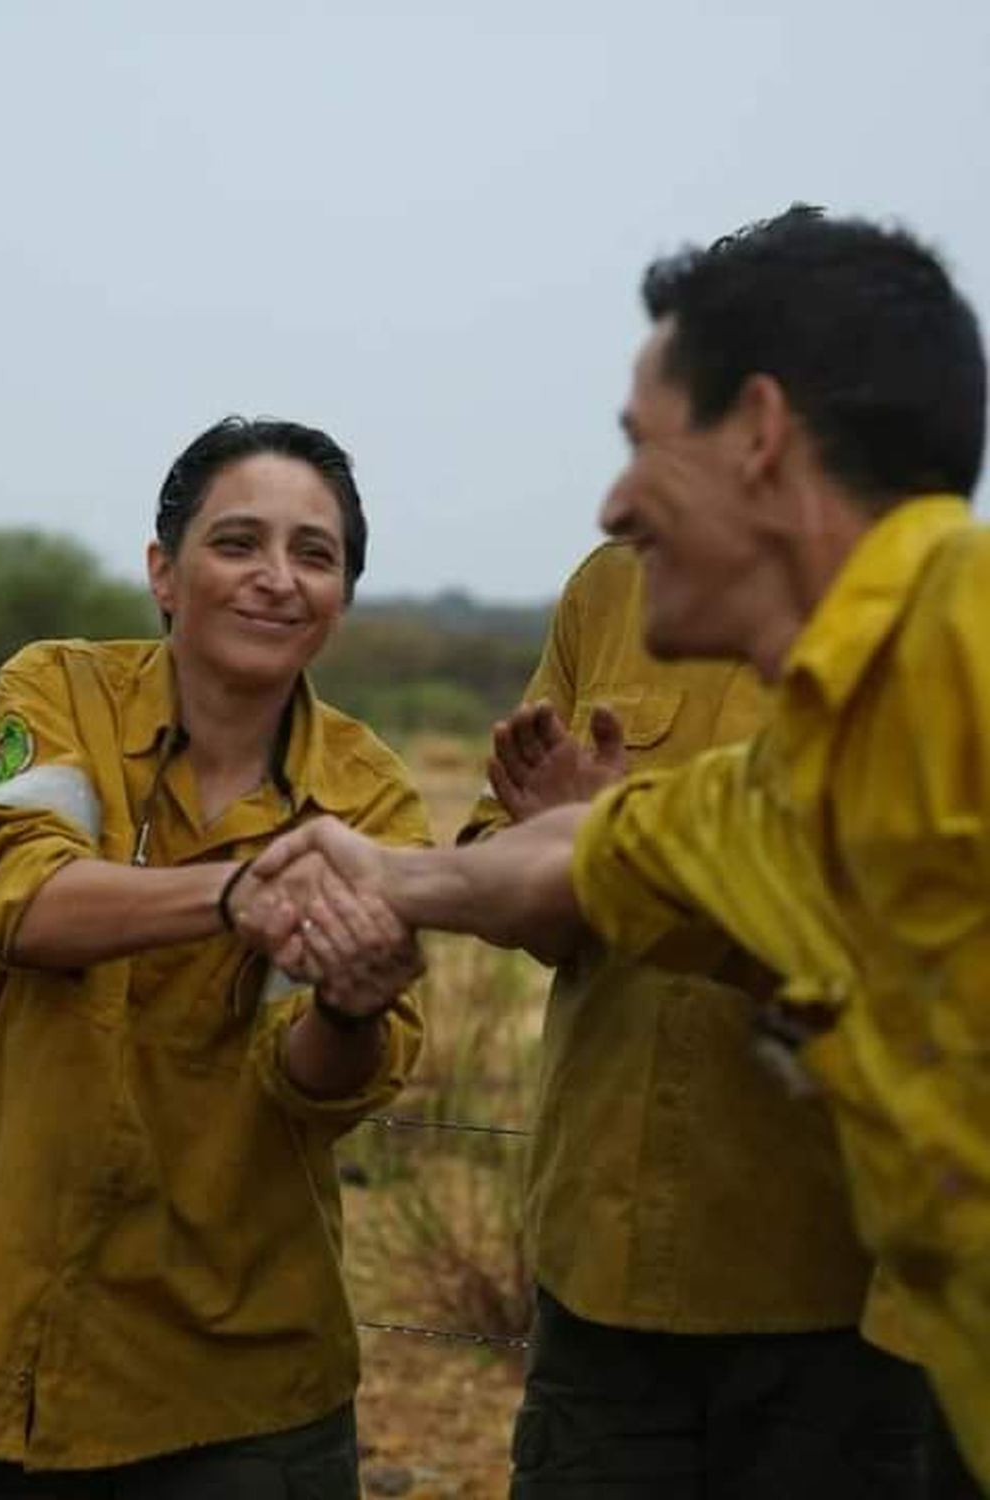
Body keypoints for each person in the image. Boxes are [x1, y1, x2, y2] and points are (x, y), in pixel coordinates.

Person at [253, 208, 990, 1490]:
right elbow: (600, 853)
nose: (612, 500)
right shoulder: (800, 763)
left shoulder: (966, 670)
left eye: (644, 446)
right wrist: (387, 873)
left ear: (759, 434)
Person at [0, 416, 430, 1498]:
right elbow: (13, 896)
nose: (276, 579)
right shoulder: (58, 694)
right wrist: (235, 896)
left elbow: (313, 1082)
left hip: (234, 1387)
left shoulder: (372, 801)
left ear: (341, 600)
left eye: (314, 555)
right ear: (163, 572)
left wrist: (354, 1009)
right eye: (238, 543)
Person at [461, 540, 928, 1496]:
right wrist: (555, 852)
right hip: (599, 1277)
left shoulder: (931, 612)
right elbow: (505, 869)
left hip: (841, 1295)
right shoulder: (610, 585)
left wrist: (612, 846)